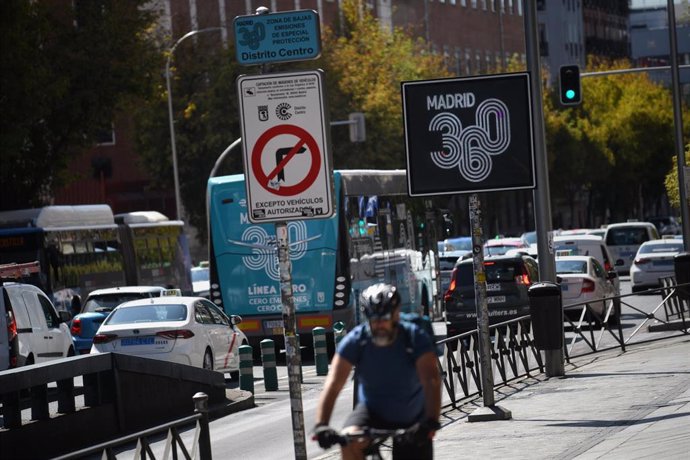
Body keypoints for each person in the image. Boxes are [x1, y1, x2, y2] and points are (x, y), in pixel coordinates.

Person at [312, 283, 442, 460]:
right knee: (349, 440)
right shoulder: (357, 340)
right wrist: (322, 425)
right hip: (371, 411)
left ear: (396, 315)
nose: (379, 324)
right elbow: (333, 384)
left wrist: (430, 421)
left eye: (385, 318)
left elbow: (431, 381)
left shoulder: (414, 337)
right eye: (374, 319)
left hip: (412, 414)